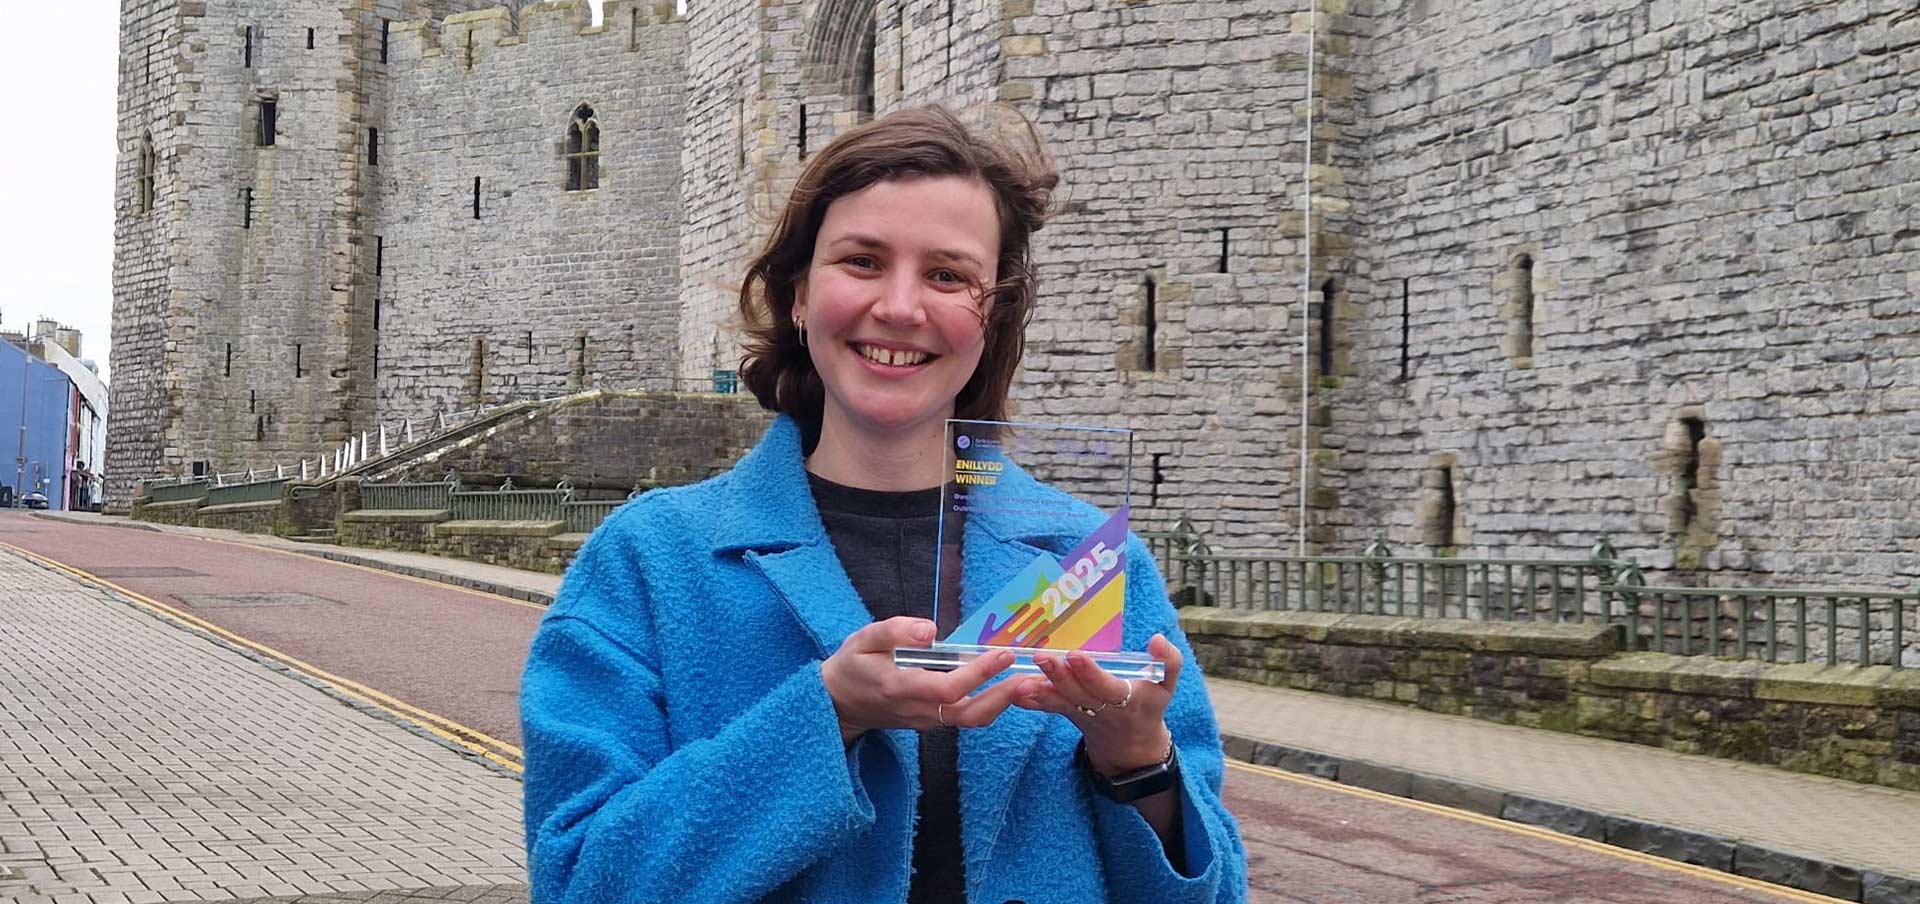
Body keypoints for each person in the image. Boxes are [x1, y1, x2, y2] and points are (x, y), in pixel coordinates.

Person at [520, 105, 1248, 904]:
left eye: (947, 275)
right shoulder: (651, 560)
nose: (901, 307)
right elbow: (582, 882)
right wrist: (828, 714)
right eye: (863, 261)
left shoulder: (1088, 561)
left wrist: (1140, 763)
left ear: (992, 315)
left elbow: (1213, 890)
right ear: (798, 294)